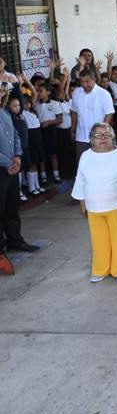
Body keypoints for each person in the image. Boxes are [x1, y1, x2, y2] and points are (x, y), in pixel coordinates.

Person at [73, 122, 117, 285]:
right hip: (94, 208)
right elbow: (80, 180)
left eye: (107, 135)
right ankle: (100, 269)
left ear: (113, 137)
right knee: (99, 240)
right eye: (98, 135)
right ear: (91, 139)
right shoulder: (86, 156)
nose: (103, 138)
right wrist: (82, 203)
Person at [0, 88, 28, 276]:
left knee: (11, 206)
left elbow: (16, 137)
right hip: (3, 168)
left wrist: (17, 157)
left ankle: (14, 240)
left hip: (11, 167)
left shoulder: (4, 113)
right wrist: (8, 162)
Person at [70, 69, 114, 168]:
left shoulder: (104, 94)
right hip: (81, 136)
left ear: (94, 79)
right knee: (83, 164)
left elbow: (109, 114)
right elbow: (74, 111)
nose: (84, 85)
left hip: (99, 137)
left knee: (101, 164)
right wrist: (73, 128)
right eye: (82, 82)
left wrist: (103, 134)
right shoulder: (77, 92)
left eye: (87, 81)